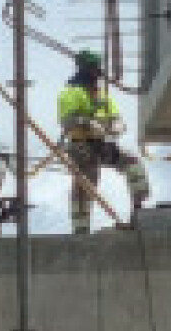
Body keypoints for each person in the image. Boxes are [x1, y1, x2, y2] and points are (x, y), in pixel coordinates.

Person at [57, 49, 150, 234]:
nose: (97, 73)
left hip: (102, 143)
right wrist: (87, 122)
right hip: (81, 145)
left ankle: (139, 213)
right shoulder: (71, 92)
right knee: (85, 184)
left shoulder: (101, 95)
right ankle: (81, 230)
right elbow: (67, 121)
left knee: (133, 164)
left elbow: (115, 116)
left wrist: (117, 125)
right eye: (93, 69)